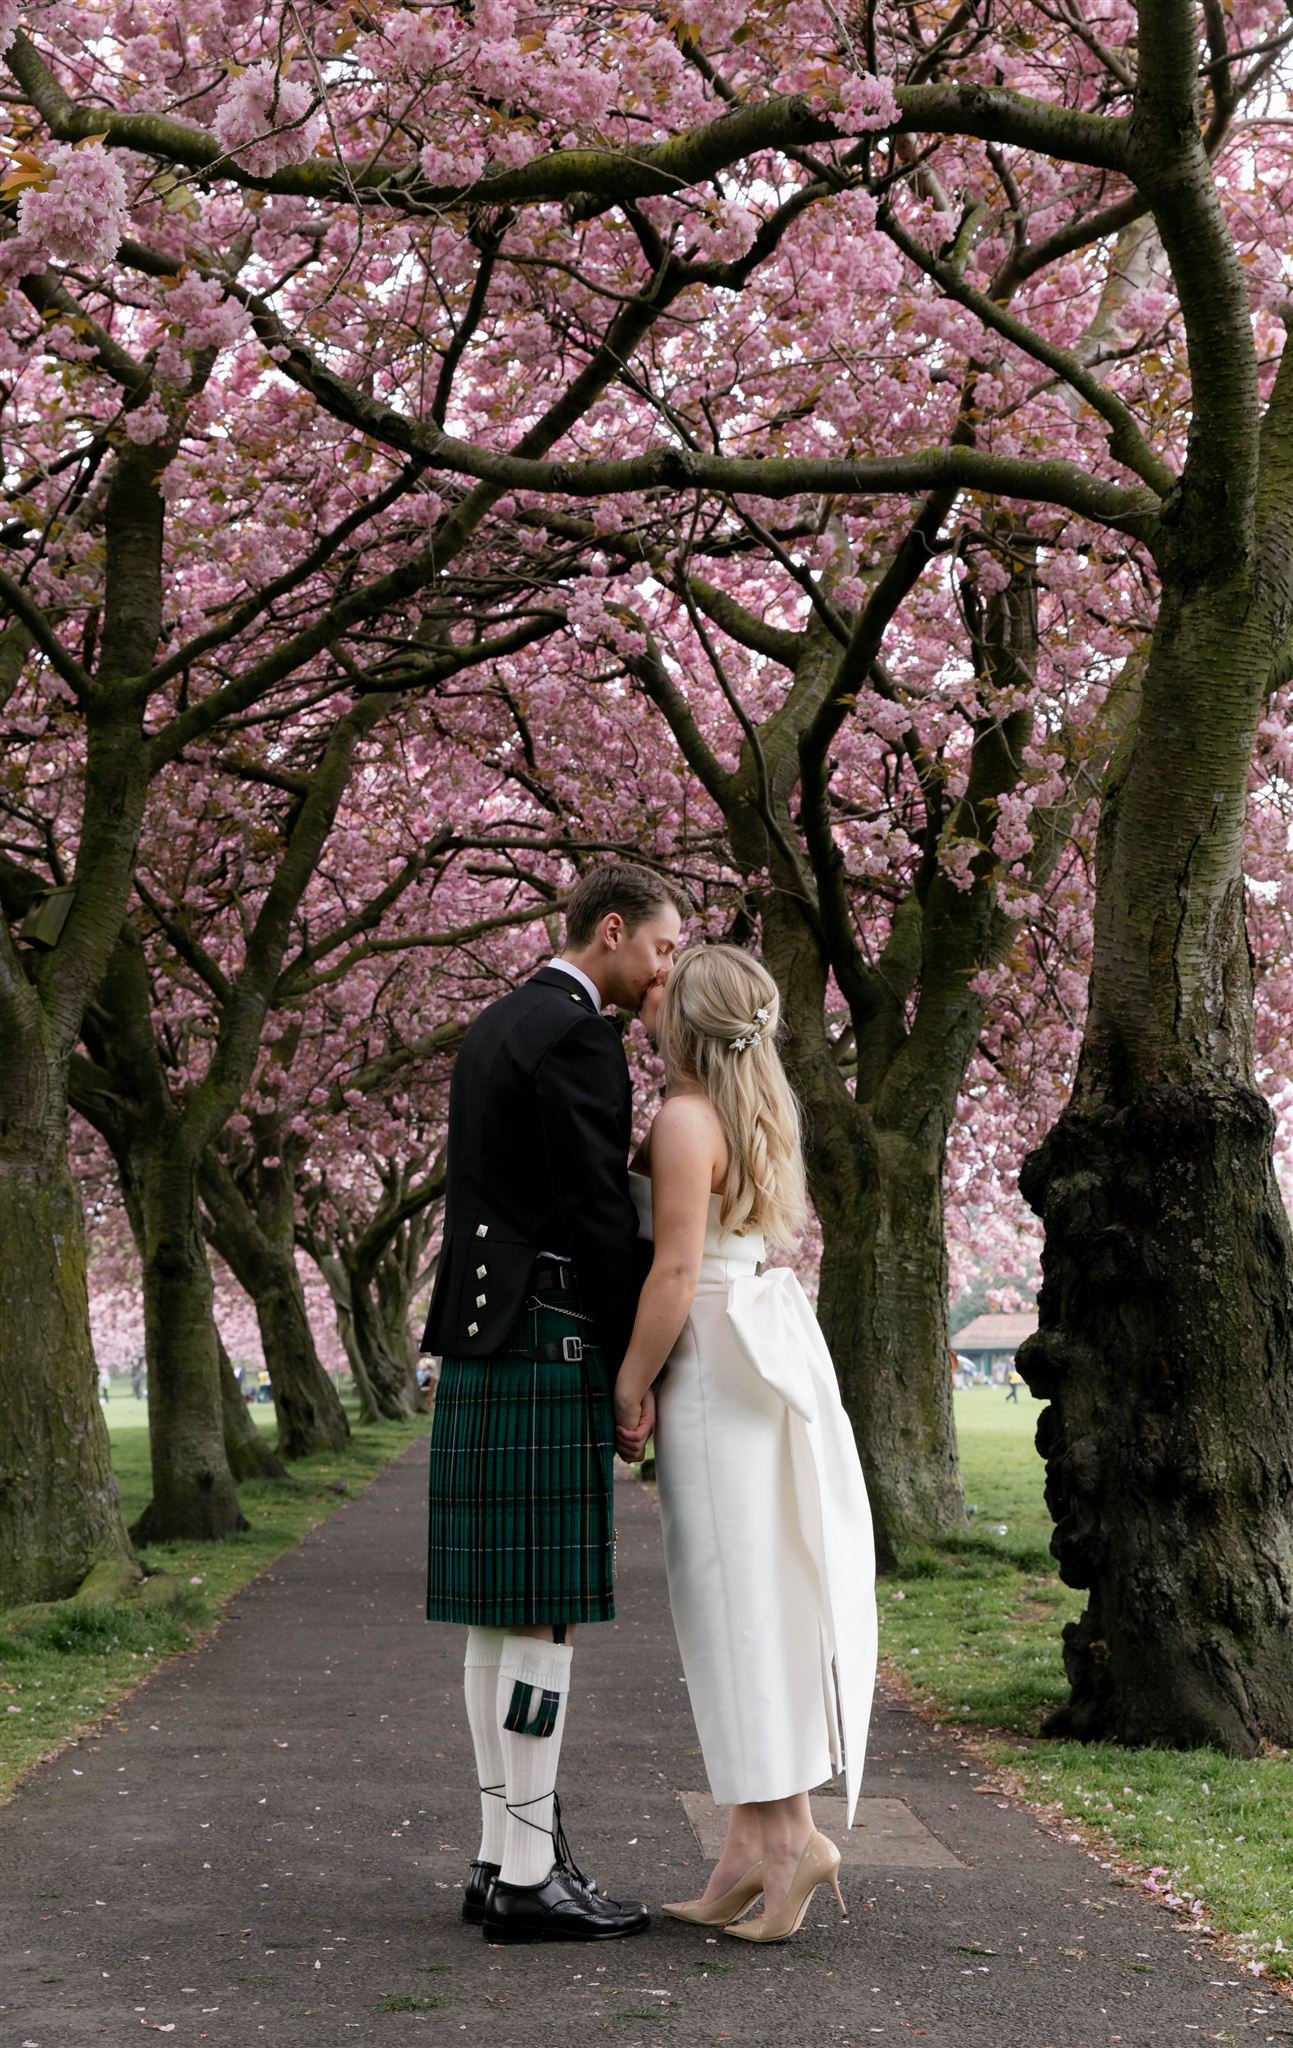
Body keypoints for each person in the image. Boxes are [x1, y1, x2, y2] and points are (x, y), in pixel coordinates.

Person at [422, 862, 686, 1945]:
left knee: (500, 1608)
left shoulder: (494, 1023)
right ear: (610, 930)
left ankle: (500, 1857)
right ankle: (530, 1874)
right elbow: (592, 1208)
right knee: (542, 1609)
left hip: (484, 1332)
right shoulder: (580, 1035)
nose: (664, 970)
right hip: (550, 1331)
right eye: (661, 948)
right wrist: (635, 1367)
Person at [614, 946, 877, 1945]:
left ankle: (789, 1841)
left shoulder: (685, 1120)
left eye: (662, 991)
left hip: (712, 1357)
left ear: (685, 1022)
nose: (647, 998)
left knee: (728, 1603)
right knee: (753, 1602)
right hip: (752, 1351)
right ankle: (751, 1846)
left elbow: (675, 1271)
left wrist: (630, 1384)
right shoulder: (753, 1109)